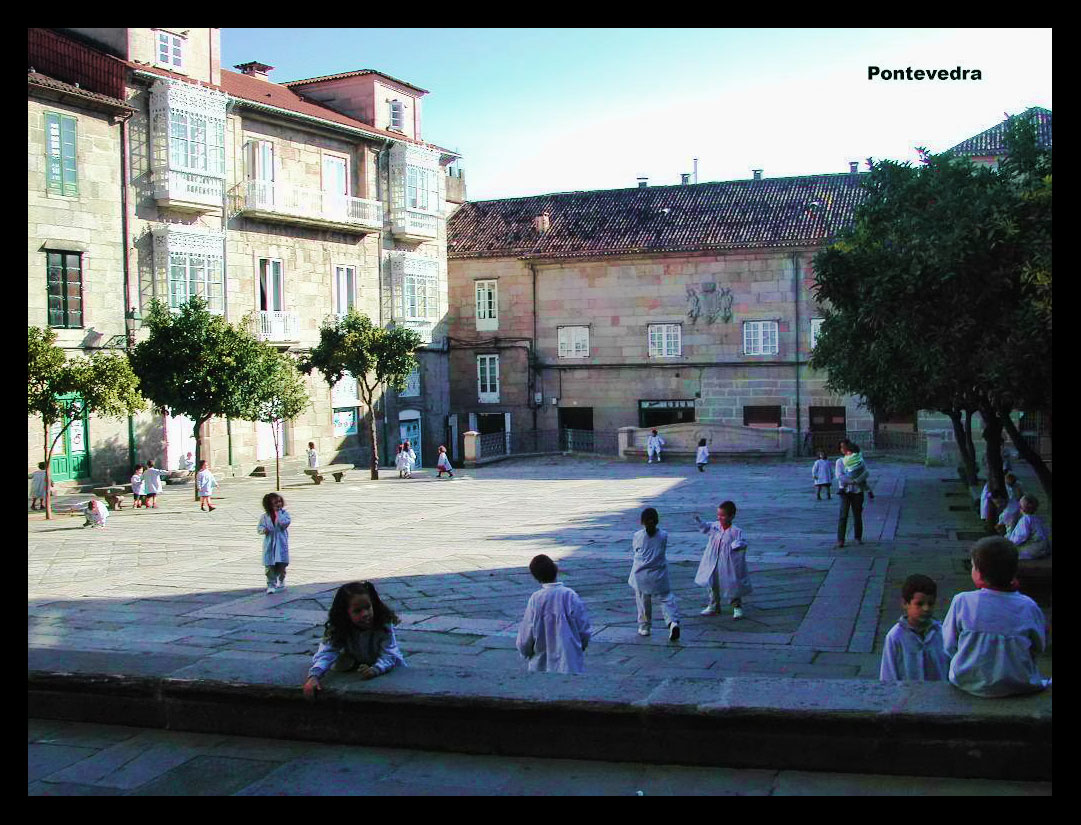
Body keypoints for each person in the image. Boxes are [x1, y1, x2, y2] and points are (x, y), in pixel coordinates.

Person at [942, 537, 1051, 697]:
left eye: (973, 566)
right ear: (1014, 572)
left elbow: (949, 644)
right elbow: (1039, 646)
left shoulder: (963, 601)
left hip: (967, 681)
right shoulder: (1028, 606)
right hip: (1019, 683)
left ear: (979, 573)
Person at [303, 581, 406, 699]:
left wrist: (376, 669)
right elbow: (327, 652)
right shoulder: (339, 628)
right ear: (345, 614)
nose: (365, 614)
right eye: (357, 611)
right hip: (361, 667)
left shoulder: (383, 623)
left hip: (390, 669)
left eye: (368, 607)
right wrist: (314, 676)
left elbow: (389, 653)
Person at [516, 554, 593, 673]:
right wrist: (579, 647)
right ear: (555, 569)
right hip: (569, 662)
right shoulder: (570, 595)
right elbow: (583, 629)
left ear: (536, 577)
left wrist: (525, 651)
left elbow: (526, 634)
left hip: (541, 664)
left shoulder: (536, 599)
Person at [879, 574, 950, 681]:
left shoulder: (942, 632)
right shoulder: (895, 636)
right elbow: (888, 673)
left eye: (930, 604)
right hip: (907, 691)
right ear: (905, 603)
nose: (926, 608)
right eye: (919, 604)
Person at [694, 500, 751, 620]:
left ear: (731, 516)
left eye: (723, 515)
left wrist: (737, 545)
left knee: (731, 583)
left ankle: (736, 606)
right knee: (712, 582)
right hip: (712, 559)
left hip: (728, 562)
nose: (719, 518)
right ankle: (713, 604)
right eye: (718, 515)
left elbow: (742, 542)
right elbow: (705, 528)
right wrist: (699, 521)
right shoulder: (715, 526)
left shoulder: (736, 531)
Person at [629, 508, 680, 639]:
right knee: (666, 598)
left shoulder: (637, 536)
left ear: (642, 521)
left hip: (641, 574)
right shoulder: (663, 535)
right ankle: (672, 622)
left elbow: (636, 550)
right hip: (659, 574)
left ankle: (644, 626)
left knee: (643, 600)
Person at [258, 492, 291, 594]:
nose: (278, 504)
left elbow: (285, 523)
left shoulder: (284, 514)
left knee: (281, 564)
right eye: (275, 503)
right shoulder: (264, 517)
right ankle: (271, 584)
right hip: (269, 543)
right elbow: (260, 528)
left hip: (281, 542)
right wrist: (264, 530)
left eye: (280, 502)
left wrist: (278, 514)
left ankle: (281, 579)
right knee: (269, 566)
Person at [834, 441, 864, 548]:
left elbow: (864, 473)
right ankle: (841, 539)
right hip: (845, 491)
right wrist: (852, 481)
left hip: (857, 491)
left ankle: (858, 537)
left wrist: (857, 480)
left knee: (857, 515)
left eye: (844, 447)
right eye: (841, 447)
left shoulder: (859, 460)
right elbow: (839, 475)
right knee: (843, 515)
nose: (843, 449)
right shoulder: (840, 461)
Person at [1006, 495, 1051, 560]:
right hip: (1045, 547)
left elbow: (1022, 536)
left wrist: (1010, 543)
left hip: (1033, 547)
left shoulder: (1025, 519)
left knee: (1011, 553)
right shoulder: (1039, 518)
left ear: (1023, 508)